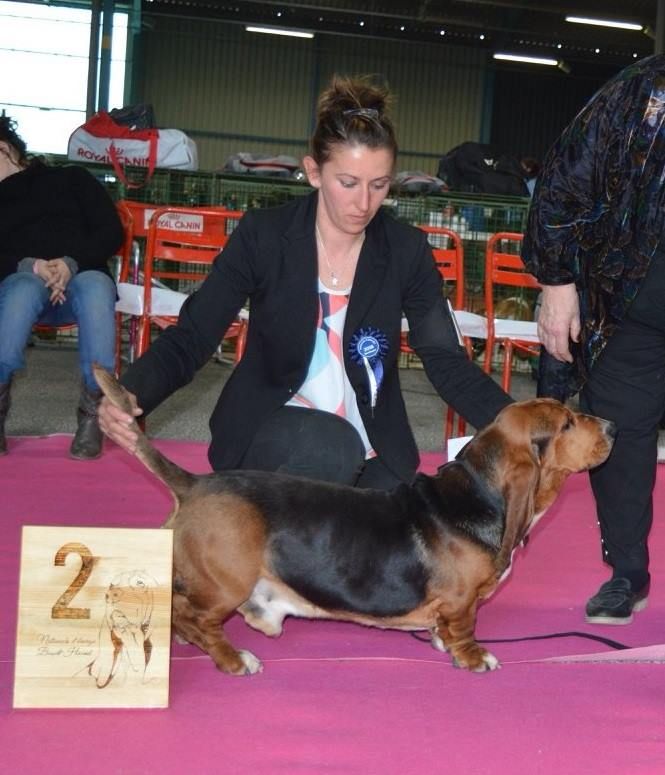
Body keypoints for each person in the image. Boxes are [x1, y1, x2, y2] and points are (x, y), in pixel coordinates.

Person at [100, 74, 513, 489]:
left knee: (402, 523)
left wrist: (522, 424)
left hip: (372, 446)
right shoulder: (264, 235)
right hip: (269, 429)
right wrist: (135, 391)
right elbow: (194, 335)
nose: (364, 203)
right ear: (314, 172)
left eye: (379, 185)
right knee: (331, 448)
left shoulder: (407, 251)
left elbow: (445, 358)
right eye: (348, 183)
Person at [522, 53, 665, 624]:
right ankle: (627, 573)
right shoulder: (641, 91)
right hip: (631, 311)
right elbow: (562, 181)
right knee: (621, 443)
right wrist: (557, 284)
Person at [0, 114, 124, 459]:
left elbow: (110, 231)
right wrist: (33, 265)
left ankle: (91, 417)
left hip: (82, 275)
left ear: (4, 149)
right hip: (21, 281)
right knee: (23, 289)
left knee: (97, 286)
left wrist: (69, 264)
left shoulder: (72, 178)